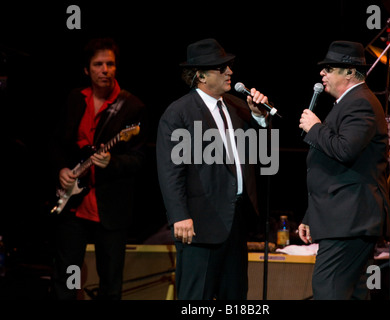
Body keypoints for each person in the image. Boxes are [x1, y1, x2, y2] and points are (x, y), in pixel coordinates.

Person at [156, 38, 270, 300]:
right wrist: (179, 215)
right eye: (221, 68)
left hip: (235, 219)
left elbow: (264, 153)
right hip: (199, 223)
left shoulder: (238, 107)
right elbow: (170, 170)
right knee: (198, 297)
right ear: (201, 76)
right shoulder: (179, 113)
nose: (229, 72)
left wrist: (260, 118)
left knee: (235, 295)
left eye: (229, 66)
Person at [50, 38, 150, 300]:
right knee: (66, 275)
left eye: (110, 64)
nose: (105, 69)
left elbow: (139, 159)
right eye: (98, 64)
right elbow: (57, 143)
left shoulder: (131, 106)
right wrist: (61, 169)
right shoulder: (75, 99)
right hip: (73, 202)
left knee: (110, 280)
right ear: (87, 70)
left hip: (111, 207)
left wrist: (112, 162)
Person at [298, 41, 390, 300]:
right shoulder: (347, 103)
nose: (322, 74)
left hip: (350, 221)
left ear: (349, 72)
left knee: (328, 291)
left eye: (329, 69)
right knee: (354, 294)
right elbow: (334, 168)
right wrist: (310, 215)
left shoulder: (360, 103)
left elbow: (345, 150)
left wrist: (315, 128)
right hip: (343, 218)